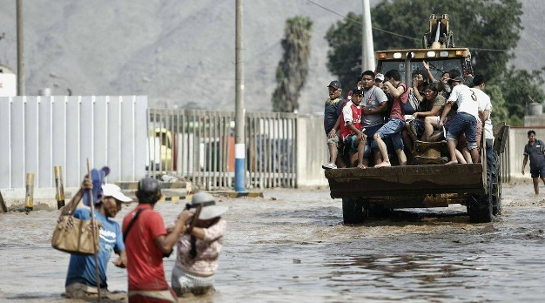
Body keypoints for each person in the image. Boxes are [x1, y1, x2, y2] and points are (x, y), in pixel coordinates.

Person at [123, 177, 194, 303]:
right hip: (153, 285)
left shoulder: (127, 219)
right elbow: (166, 247)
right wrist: (181, 222)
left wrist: (168, 232)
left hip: (133, 288)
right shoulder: (153, 216)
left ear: (137, 194)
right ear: (160, 196)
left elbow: (142, 244)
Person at [64, 176, 132, 300]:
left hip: (101, 288)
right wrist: (81, 191)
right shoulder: (86, 215)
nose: (119, 208)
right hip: (79, 286)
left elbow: (123, 252)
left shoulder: (115, 227)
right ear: (104, 199)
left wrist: (123, 258)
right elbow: (64, 215)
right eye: (117, 203)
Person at [171, 192, 228, 297]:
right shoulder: (182, 222)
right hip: (183, 279)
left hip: (207, 280)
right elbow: (167, 235)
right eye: (204, 217)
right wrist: (180, 223)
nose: (207, 220)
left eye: (209, 216)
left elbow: (208, 235)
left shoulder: (220, 223)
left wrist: (187, 229)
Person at [439, 73, 479, 165]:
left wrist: (441, 120)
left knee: (450, 136)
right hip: (473, 118)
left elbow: (449, 104)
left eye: (454, 84)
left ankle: (453, 159)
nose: (453, 87)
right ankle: (476, 167)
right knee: (472, 145)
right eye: (452, 85)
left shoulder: (458, 88)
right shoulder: (471, 91)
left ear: (461, 82)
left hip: (462, 115)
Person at [374, 69, 409, 167]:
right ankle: (403, 169)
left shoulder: (402, 85)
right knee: (399, 148)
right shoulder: (396, 88)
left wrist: (388, 83)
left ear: (391, 79)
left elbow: (397, 93)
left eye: (388, 80)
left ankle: (386, 160)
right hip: (395, 120)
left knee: (377, 136)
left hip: (397, 120)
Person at [360, 70, 388, 166]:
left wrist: (371, 111)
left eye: (369, 79)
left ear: (373, 81)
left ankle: (379, 173)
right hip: (363, 128)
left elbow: (384, 106)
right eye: (364, 79)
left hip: (376, 126)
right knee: (364, 152)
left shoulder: (377, 91)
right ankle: (364, 177)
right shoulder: (360, 92)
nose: (366, 81)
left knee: (377, 149)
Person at [339, 88, 367, 169]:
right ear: (352, 96)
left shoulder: (360, 106)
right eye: (356, 96)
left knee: (352, 163)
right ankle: (360, 164)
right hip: (347, 135)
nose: (358, 98)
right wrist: (360, 133)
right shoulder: (348, 106)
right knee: (363, 138)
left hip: (354, 134)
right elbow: (349, 124)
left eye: (360, 96)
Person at [322, 80, 346, 169]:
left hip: (336, 130)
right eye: (330, 89)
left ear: (340, 91)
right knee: (338, 155)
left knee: (331, 142)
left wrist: (334, 129)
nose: (332, 91)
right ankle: (345, 171)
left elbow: (340, 116)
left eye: (334, 90)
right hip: (329, 130)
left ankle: (332, 163)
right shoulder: (328, 101)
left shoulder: (340, 102)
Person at [522, 130, 545, 194]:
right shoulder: (527, 147)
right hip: (533, 166)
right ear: (528, 137)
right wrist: (523, 167)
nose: (532, 137)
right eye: (531, 136)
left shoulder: (540, 143)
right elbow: (525, 158)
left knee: (543, 178)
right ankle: (537, 194)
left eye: (533, 136)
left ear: (535, 136)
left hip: (542, 164)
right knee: (535, 181)